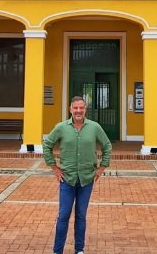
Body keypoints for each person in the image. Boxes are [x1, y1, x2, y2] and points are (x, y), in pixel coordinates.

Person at [43, 95, 112, 254]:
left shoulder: (94, 127)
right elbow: (47, 145)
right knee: (64, 215)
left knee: (81, 216)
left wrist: (102, 167)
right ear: (70, 109)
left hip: (87, 179)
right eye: (75, 108)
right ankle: (57, 250)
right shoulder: (61, 127)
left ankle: (79, 250)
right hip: (67, 178)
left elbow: (107, 146)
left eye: (81, 107)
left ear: (85, 109)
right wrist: (54, 167)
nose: (78, 111)